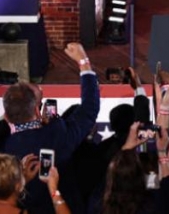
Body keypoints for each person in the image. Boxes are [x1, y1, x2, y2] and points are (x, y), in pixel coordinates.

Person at [1, 42, 100, 214]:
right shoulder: (57, 133)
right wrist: (84, 62)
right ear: (36, 111)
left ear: (6, 116)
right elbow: (88, 110)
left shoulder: (4, 147)